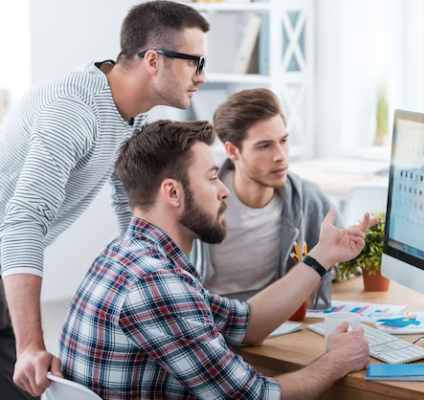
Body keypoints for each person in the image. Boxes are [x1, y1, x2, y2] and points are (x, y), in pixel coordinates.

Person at [59, 120, 376, 399]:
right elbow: (257, 397)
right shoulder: (155, 283)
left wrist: (322, 255)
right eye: (212, 178)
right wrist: (336, 361)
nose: (224, 190)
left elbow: (247, 323)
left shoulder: (126, 255)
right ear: (172, 192)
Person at [0, 2, 209, 397]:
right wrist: (30, 344)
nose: (202, 76)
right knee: (29, 381)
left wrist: (164, 285)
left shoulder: (132, 113)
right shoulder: (74, 110)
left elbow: (128, 203)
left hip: (4, 264)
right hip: (7, 252)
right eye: (195, 62)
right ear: (153, 60)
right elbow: (24, 221)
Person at [191, 88, 342, 303]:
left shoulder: (309, 198)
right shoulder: (201, 200)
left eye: (283, 141)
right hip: (213, 320)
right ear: (233, 151)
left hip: (280, 321)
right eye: (265, 146)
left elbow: (344, 268)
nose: (280, 156)